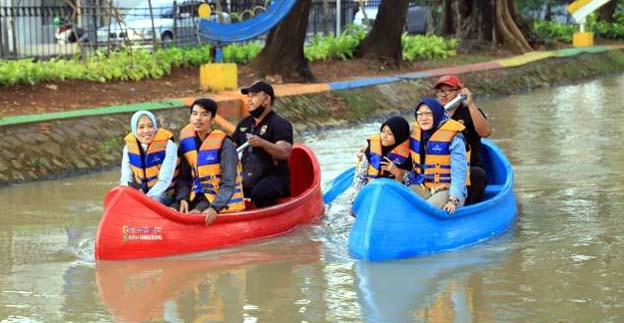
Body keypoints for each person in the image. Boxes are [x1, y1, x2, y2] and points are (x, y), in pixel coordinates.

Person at [174, 98, 245, 224]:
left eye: (204, 114)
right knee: (171, 209)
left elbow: (229, 182)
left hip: (215, 198)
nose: (198, 118)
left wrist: (215, 207)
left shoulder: (225, 143)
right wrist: (182, 198)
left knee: (194, 214)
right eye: (194, 114)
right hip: (193, 195)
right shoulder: (186, 143)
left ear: (212, 118)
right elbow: (183, 178)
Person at [232, 81, 293, 207]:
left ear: (267, 99)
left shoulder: (280, 124)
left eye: (253, 96)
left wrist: (262, 143)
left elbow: (285, 153)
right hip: (249, 176)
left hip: (274, 178)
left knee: (260, 194)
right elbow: (232, 147)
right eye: (247, 96)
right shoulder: (244, 124)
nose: (249, 100)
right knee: (226, 191)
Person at [433, 75, 492, 205]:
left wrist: (470, 104)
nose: (444, 95)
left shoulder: (469, 111)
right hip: (441, 169)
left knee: (477, 176)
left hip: (468, 167)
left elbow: (486, 132)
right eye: (441, 91)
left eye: (449, 90)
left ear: (459, 91)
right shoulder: (433, 115)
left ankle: (465, 207)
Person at [408, 98, 468, 214]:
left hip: (448, 190)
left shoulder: (455, 137)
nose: (423, 118)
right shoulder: (414, 132)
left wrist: (453, 200)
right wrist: (367, 145)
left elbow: (459, 173)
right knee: (398, 200)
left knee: (426, 210)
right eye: (420, 114)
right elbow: (392, 135)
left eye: (428, 114)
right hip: (423, 187)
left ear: (436, 113)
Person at [120, 110, 177, 205]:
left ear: (155, 127)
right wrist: (129, 194)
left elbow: (165, 180)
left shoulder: (169, 146)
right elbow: (126, 178)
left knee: (157, 198)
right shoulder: (128, 148)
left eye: (150, 126)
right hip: (140, 193)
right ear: (134, 130)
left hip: (164, 194)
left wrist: (146, 199)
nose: (146, 131)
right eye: (141, 127)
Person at [352, 116, 411, 195]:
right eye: (383, 131)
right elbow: (359, 178)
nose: (384, 136)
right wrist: (354, 203)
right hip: (370, 194)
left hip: (392, 195)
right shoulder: (370, 149)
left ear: (399, 136)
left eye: (390, 134)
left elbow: (406, 188)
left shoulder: (407, 156)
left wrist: (397, 174)